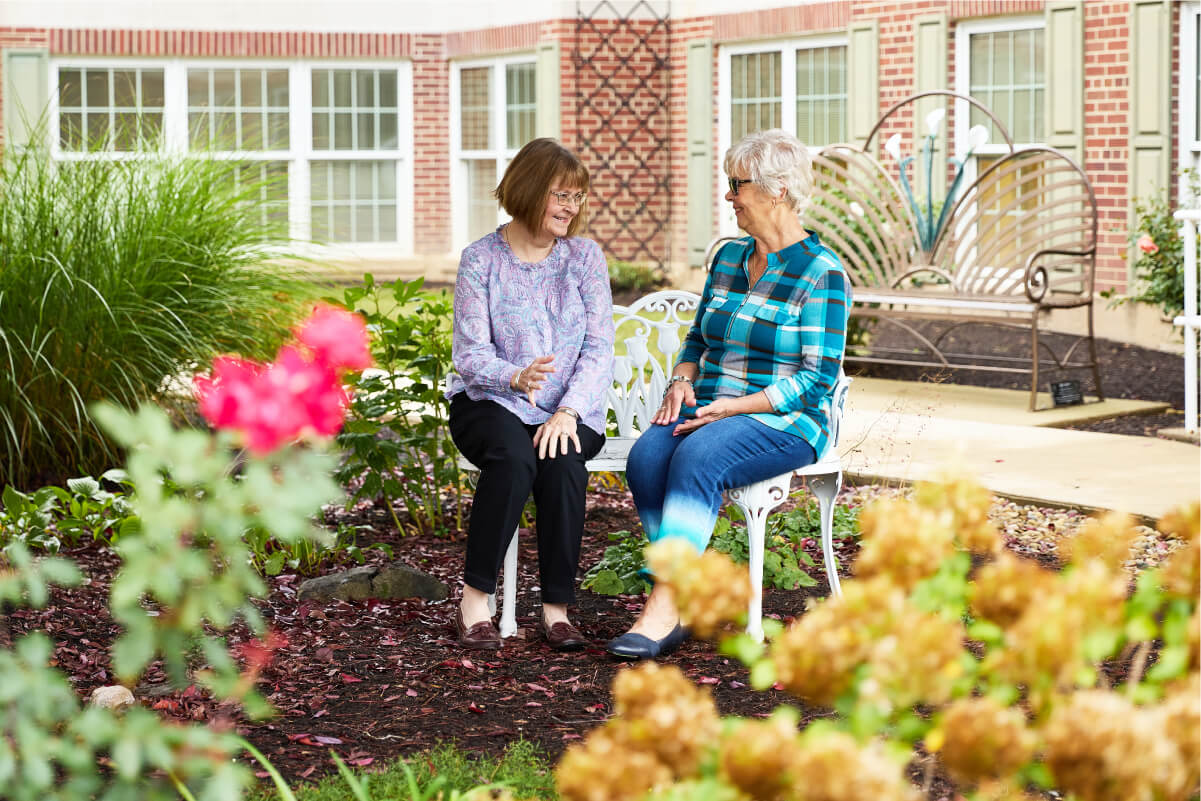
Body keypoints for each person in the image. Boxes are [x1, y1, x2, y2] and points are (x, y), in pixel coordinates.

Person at [606, 129, 850, 660]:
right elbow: (697, 339)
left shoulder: (822, 274)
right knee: (647, 457)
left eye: (737, 185)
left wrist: (733, 408)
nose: (729, 196)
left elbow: (818, 379)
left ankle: (664, 607)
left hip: (785, 418)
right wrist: (682, 380)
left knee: (698, 455)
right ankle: (682, 596)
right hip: (710, 402)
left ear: (776, 190)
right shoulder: (728, 259)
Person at [446, 138, 614, 651]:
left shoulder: (583, 258)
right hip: (489, 402)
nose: (571, 207)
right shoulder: (481, 260)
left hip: (566, 409)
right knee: (515, 461)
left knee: (563, 464)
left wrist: (567, 410)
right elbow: (470, 355)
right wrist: (514, 377)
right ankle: (475, 597)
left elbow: (600, 347)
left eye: (577, 197)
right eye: (560, 195)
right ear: (528, 190)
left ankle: (556, 608)